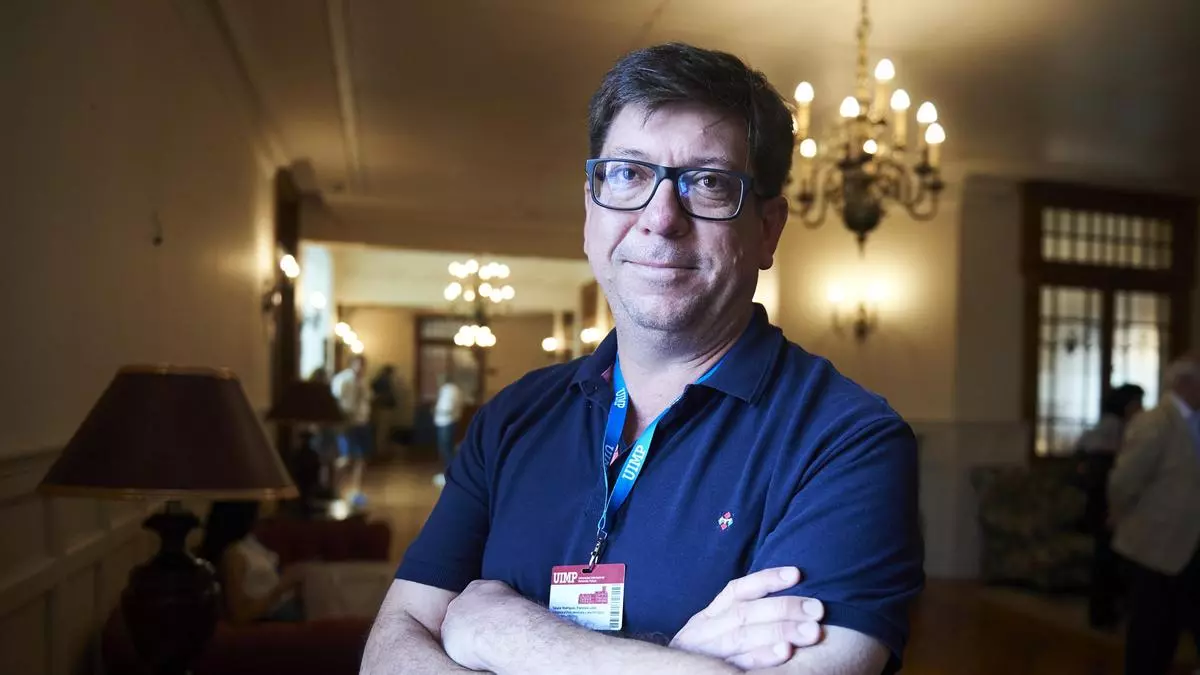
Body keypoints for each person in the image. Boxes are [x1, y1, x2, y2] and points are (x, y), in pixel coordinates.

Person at [362, 42, 923, 675]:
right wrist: (680, 662)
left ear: (768, 229)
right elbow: (388, 652)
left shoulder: (850, 443)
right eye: (628, 173)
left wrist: (503, 632)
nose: (661, 218)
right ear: (590, 209)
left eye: (708, 183)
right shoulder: (511, 418)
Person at [1109, 357, 1200, 675]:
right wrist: (1121, 514)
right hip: (1154, 546)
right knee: (1151, 638)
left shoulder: (1195, 420)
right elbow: (1123, 481)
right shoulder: (1155, 423)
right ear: (1186, 383)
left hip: (1191, 544)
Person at [1074, 383, 1144, 628]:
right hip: (1106, 500)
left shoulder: (1111, 426)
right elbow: (1107, 467)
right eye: (1136, 403)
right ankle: (1103, 614)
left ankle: (1105, 612)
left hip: (1103, 500)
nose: (1140, 408)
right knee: (1107, 558)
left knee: (1107, 557)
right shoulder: (1113, 429)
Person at [198, 501, 304, 624]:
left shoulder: (252, 544)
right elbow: (239, 615)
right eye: (258, 508)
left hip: (286, 608)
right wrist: (280, 589)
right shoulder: (234, 555)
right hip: (272, 617)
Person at [331, 355, 372, 508]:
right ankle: (334, 489)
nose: (360, 368)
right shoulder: (343, 380)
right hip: (347, 423)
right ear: (351, 364)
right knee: (345, 458)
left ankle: (356, 492)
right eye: (358, 364)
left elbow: (367, 400)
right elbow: (336, 400)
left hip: (362, 422)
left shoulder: (364, 381)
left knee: (361, 459)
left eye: (363, 365)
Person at [432, 373, 464, 487]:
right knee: (448, 449)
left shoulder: (448, 390)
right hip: (449, 422)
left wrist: (437, 410)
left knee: (447, 450)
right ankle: (450, 474)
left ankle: (450, 476)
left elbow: (447, 407)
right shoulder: (454, 389)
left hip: (446, 422)